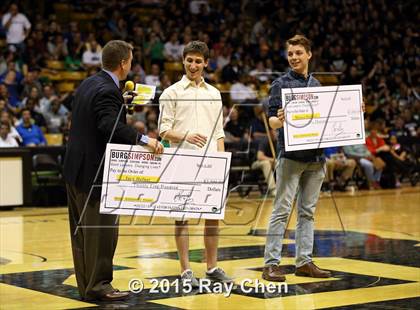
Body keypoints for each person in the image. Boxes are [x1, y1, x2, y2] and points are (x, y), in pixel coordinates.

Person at [63, 40, 163, 302]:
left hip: (75, 171)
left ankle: (88, 285)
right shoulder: (108, 91)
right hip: (94, 173)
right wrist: (146, 140)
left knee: (82, 235)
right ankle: (100, 286)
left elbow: (97, 119)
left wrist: (121, 102)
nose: (131, 64)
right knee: (102, 233)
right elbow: (110, 127)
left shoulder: (90, 83)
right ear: (123, 63)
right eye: (130, 60)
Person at [159, 41, 232, 286]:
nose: (193, 65)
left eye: (198, 61)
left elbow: (219, 132)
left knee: (212, 218)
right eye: (189, 60)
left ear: (205, 63)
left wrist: (222, 163)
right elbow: (163, 131)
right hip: (181, 162)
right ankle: (185, 270)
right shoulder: (171, 93)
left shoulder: (214, 93)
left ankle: (211, 267)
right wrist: (186, 136)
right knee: (182, 218)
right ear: (183, 61)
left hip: (211, 163)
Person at [263, 35, 334, 282]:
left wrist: (352, 112)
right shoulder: (279, 84)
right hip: (291, 157)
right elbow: (271, 120)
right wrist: (278, 120)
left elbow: (330, 118)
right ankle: (270, 264)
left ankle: (304, 261)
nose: (294, 57)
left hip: (316, 158)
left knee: (308, 212)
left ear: (309, 55)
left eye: (298, 53)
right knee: (281, 210)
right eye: (291, 53)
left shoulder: (317, 85)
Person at [251, 129, 277, 197]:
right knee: (266, 163)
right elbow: (260, 156)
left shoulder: (279, 142)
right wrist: (273, 160)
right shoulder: (265, 141)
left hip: (272, 162)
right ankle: (273, 189)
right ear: (271, 132)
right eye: (275, 131)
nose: (277, 133)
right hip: (256, 163)